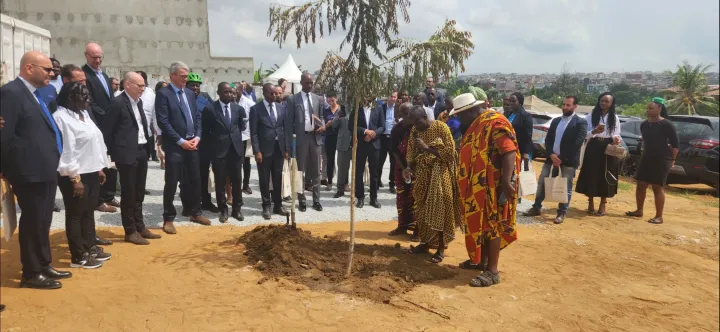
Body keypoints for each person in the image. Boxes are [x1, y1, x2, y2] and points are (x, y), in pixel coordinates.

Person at [0, 51, 70, 289]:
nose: (51, 73)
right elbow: (5, 136)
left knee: (43, 220)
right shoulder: (11, 93)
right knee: (33, 221)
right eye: (46, 69)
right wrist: (6, 169)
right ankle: (31, 272)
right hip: (28, 170)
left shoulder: (34, 94)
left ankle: (43, 264)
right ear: (29, 68)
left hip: (45, 168)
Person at [452, 92, 520, 287]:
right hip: (479, 186)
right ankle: (481, 261)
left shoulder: (495, 122)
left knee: (492, 225)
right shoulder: (478, 123)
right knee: (480, 224)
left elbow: (508, 151)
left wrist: (507, 182)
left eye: (461, 115)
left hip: (494, 186)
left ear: (473, 110)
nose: (459, 119)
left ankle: (492, 270)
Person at [53, 81, 111, 267]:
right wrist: (74, 178)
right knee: (76, 214)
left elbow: (95, 142)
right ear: (70, 98)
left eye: (88, 96)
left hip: (91, 171)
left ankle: (89, 246)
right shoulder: (61, 117)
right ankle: (78, 255)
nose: (88, 100)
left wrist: (100, 168)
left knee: (88, 212)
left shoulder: (83, 114)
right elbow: (67, 150)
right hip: (75, 176)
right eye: (83, 97)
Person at [102, 72, 162, 244]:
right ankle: (130, 231)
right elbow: (108, 131)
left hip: (142, 151)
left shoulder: (139, 102)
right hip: (126, 154)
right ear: (127, 85)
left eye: (144, 85)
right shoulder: (117, 103)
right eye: (139, 85)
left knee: (139, 192)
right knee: (128, 193)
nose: (143, 89)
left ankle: (140, 226)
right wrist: (109, 156)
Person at [155, 61, 211, 234]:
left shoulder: (189, 93)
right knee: (172, 181)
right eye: (183, 76)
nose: (186, 79)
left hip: (193, 144)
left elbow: (197, 117)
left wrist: (198, 137)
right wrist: (180, 141)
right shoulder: (163, 94)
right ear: (173, 76)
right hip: (175, 146)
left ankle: (195, 212)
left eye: (187, 76)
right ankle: (168, 218)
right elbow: (163, 121)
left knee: (195, 179)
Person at [405, 105, 462, 263]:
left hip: (440, 173)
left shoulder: (441, 127)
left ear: (425, 117)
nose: (416, 126)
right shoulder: (415, 130)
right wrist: (409, 167)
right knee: (422, 210)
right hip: (423, 175)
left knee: (440, 207)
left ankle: (440, 248)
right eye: (414, 123)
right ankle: (425, 243)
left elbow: (451, 153)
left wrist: (427, 148)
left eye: (418, 122)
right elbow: (411, 150)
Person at [523, 96, 588, 224]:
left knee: (565, 187)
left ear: (575, 106)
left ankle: (561, 213)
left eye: (568, 105)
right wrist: (552, 155)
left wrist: (560, 158)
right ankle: (536, 207)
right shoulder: (556, 121)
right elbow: (548, 140)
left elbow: (577, 143)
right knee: (542, 182)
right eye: (563, 104)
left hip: (568, 161)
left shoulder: (581, 123)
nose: (565, 107)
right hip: (551, 159)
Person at [626, 97, 679, 225]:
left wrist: (672, 160)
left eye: (651, 108)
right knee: (641, 185)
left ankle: (659, 216)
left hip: (662, 159)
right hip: (647, 157)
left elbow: (675, 145)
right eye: (647, 108)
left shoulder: (667, 124)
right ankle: (639, 210)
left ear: (659, 109)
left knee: (657, 187)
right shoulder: (644, 124)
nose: (648, 111)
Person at [82, 42, 120, 214]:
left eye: (99, 57)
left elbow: (110, 98)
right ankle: (98, 200)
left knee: (110, 161)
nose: (97, 60)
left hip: (109, 124)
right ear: (86, 56)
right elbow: (89, 101)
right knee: (98, 162)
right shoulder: (85, 75)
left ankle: (109, 195)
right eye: (94, 57)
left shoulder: (104, 76)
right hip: (97, 123)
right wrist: (106, 115)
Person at [202, 82, 247, 222]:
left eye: (231, 92)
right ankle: (223, 210)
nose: (229, 95)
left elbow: (241, 127)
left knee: (237, 181)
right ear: (219, 93)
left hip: (235, 150)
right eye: (226, 92)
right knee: (220, 182)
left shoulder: (238, 109)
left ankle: (236, 209)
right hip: (219, 152)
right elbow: (206, 131)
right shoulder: (210, 109)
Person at [575, 92, 622, 216]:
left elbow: (617, 133)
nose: (604, 103)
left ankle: (603, 203)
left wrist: (617, 139)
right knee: (592, 173)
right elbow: (584, 134)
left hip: (608, 147)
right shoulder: (590, 116)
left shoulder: (614, 118)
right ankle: (590, 201)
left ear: (611, 104)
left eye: (607, 101)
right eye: (602, 101)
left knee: (606, 173)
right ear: (598, 101)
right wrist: (594, 131)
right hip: (594, 145)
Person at [249, 83, 290, 219]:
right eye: (271, 94)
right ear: (264, 94)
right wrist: (257, 151)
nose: (274, 96)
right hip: (264, 151)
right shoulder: (256, 109)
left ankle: (278, 205)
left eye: (276, 93)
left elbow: (285, 129)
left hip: (279, 150)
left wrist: (286, 149)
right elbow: (254, 133)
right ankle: (266, 206)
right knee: (264, 180)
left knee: (278, 178)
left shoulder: (281, 108)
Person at [286, 73, 325, 212]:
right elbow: (289, 123)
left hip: (315, 138)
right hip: (301, 139)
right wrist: (289, 143)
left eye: (311, 83)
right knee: (299, 170)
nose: (309, 85)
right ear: (301, 83)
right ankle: (302, 199)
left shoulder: (318, 99)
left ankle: (316, 200)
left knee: (316, 171)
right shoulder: (293, 100)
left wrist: (323, 125)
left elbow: (321, 117)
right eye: (307, 83)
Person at [349, 98, 385, 208]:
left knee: (374, 172)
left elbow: (382, 127)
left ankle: (373, 198)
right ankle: (360, 197)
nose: (367, 97)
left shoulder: (378, 108)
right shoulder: (356, 109)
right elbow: (350, 126)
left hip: (374, 144)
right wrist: (365, 131)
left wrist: (373, 133)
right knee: (358, 172)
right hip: (361, 144)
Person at [387, 103, 417, 238]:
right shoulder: (397, 130)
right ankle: (402, 226)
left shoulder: (417, 127)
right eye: (407, 114)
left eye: (411, 113)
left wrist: (412, 167)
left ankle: (418, 229)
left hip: (416, 167)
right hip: (401, 168)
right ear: (401, 115)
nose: (409, 116)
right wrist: (404, 168)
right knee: (401, 197)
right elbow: (394, 151)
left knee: (416, 197)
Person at [236, 83, 256, 195]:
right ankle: (235, 184)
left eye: (236, 91)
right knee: (235, 162)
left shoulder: (249, 103)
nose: (234, 93)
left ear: (241, 90)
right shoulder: (230, 101)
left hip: (245, 136)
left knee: (246, 162)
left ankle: (246, 184)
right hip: (234, 137)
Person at [378, 90, 398, 193]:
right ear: (387, 97)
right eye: (391, 96)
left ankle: (392, 183)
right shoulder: (381, 108)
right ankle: (377, 181)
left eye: (395, 97)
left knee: (393, 162)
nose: (393, 99)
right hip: (382, 137)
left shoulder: (399, 108)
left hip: (393, 138)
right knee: (380, 160)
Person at [332, 98, 352, 198]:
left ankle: (357, 190)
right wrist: (338, 117)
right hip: (343, 143)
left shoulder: (359, 108)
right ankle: (340, 189)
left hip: (356, 143)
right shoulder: (342, 109)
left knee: (358, 169)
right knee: (342, 167)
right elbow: (334, 125)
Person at [137, 71, 159, 162]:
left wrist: (158, 132)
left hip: (146, 134)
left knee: (142, 164)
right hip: (129, 136)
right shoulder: (124, 95)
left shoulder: (152, 96)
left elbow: (155, 115)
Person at [505, 92, 534, 161]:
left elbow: (528, 135)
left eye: (514, 101)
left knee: (521, 170)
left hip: (521, 149)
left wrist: (525, 152)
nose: (511, 103)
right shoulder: (509, 114)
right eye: (510, 101)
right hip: (510, 147)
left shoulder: (526, 116)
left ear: (520, 102)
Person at [322, 92, 342, 192]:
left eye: (332, 100)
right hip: (329, 137)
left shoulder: (341, 109)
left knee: (341, 161)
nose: (330, 102)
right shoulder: (325, 111)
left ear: (336, 99)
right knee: (330, 160)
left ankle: (342, 183)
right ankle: (329, 182)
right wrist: (326, 125)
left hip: (340, 137)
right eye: (328, 101)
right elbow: (323, 122)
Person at [154, 81, 169, 169]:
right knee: (159, 145)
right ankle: (162, 160)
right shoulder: (156, 98)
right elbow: (154, 115)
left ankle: (166, 160)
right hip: (158, 125)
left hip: (167, 124)